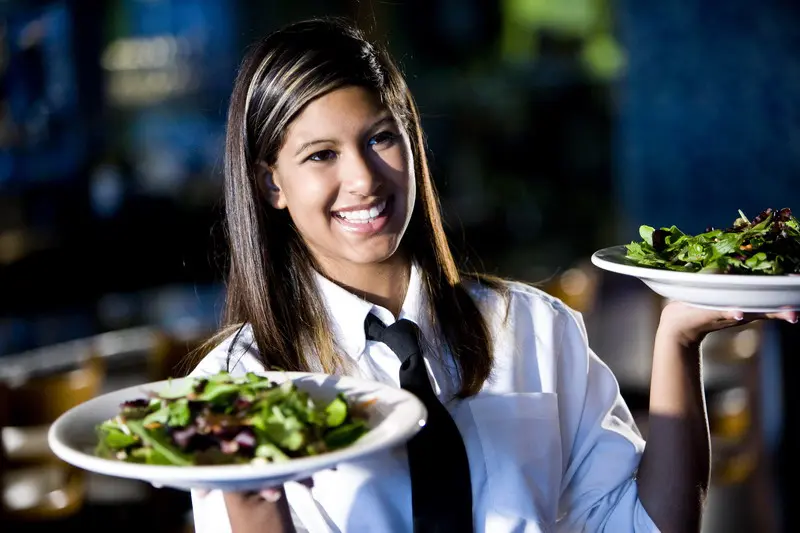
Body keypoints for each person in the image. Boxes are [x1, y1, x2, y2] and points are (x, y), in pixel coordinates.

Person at [187, 17, 797, 533]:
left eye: (380, 139)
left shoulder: (532, 327)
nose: (365, 179)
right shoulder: (238, 389)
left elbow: (644, 523)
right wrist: (252, 503)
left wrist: (677, 337)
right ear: (271, 182)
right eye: (321, 155)